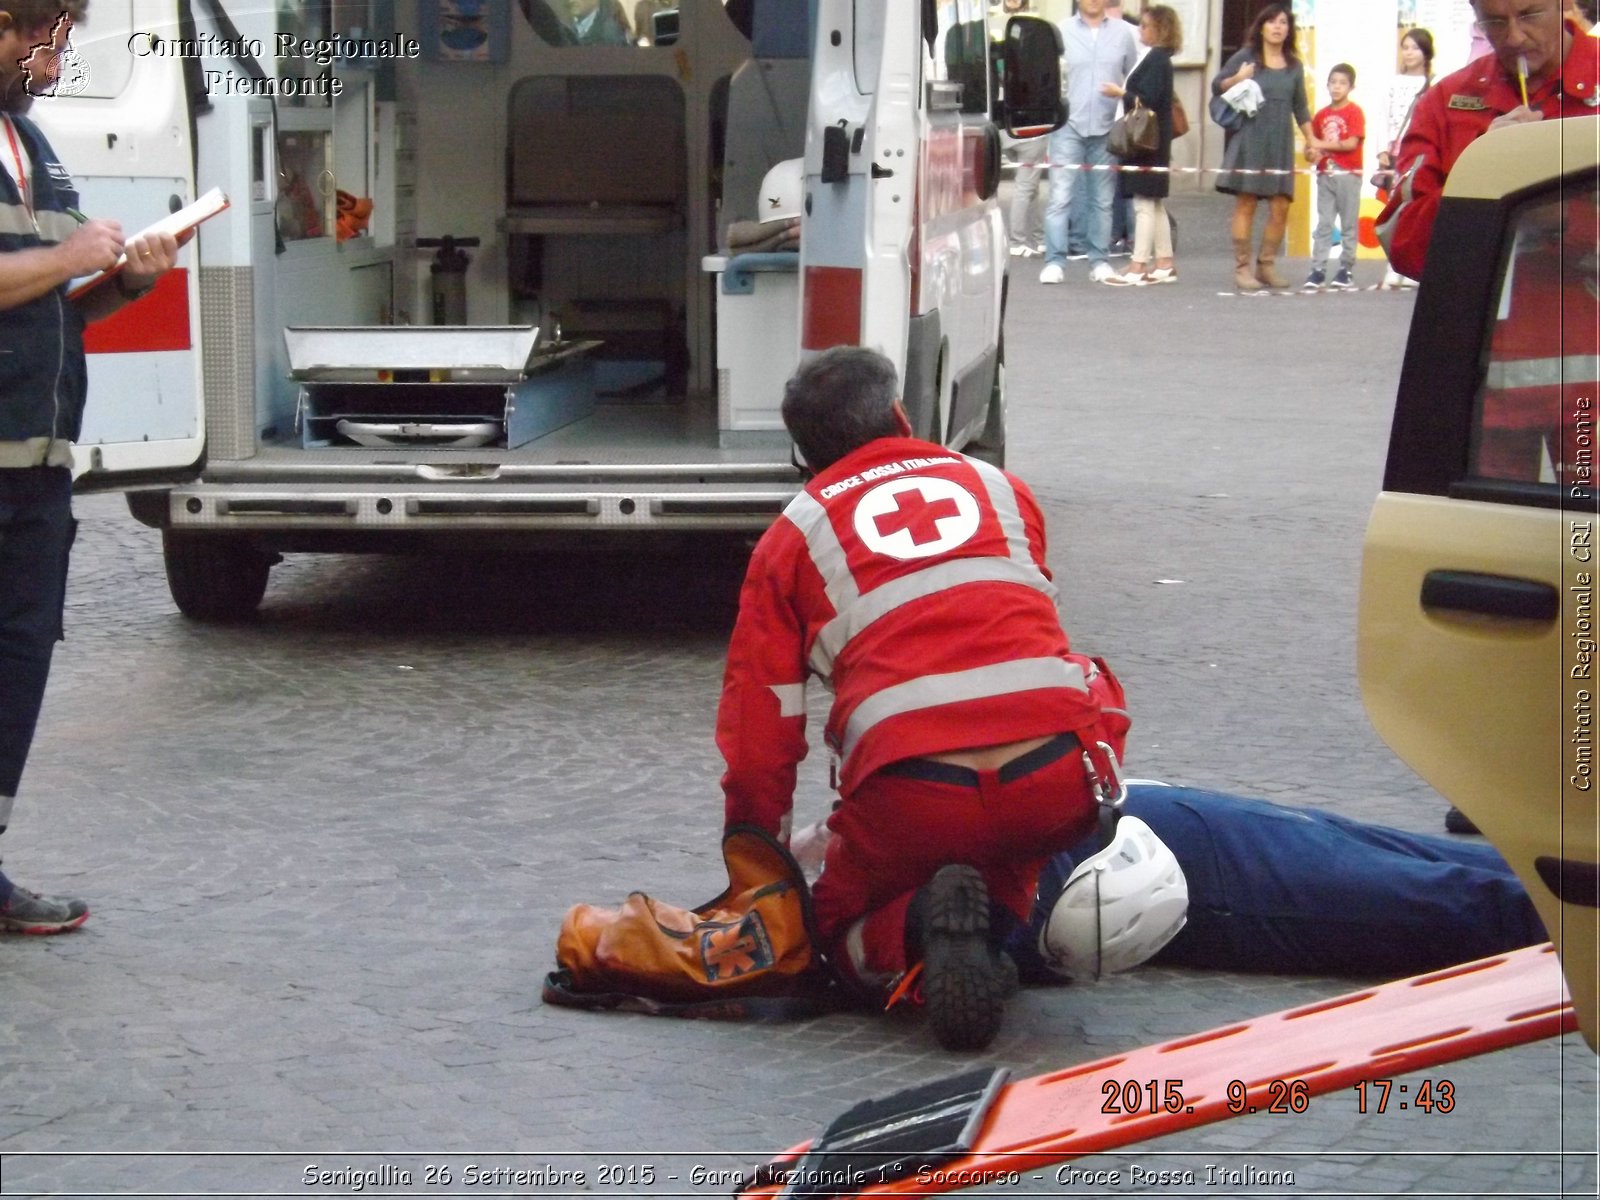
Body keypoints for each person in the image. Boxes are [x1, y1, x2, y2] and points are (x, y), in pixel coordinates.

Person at [717, 346, 1129, 1052]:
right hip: (1055, 774)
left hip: (911, 795)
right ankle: (996, 924)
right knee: (1023, 820)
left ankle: (909, 933)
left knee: (826, 933)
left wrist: (761, 867)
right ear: (902, 417)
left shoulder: (790, 539)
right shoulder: (1001, 488)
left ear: (802, 456)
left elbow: (763, 729)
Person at [0, 0, 183, 933]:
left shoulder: (33, 142)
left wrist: (127, 280)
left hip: (37, 464)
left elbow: (55, 311)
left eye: (53, 30)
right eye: (24, 27)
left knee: (19, 660)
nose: (42, 49)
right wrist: (68, 253)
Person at [1014, 783, 1551, 983]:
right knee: (1513, 880)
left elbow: (1038, 939)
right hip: (1177, 814)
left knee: (1472, 903)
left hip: (1204, 867)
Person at [1377, 0, 1600, 281]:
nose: (1515, 37)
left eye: (1530, 14)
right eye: (1494, 22)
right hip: (1477, 322)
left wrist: (1565, 216)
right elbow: (1402, 243)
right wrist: (1480, 170)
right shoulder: (1445, 101)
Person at [1212, 3, 1314, 292]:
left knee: (1281, 205)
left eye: (1283, 22)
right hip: (1251, 137)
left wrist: (1312, 140)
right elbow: (1218, 85)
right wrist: (1238, 78)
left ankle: (1266, 265)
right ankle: (1242, 268)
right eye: (1272, 22)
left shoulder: (1294, 65)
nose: (1278, 27)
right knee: (1246, 203)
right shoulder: (1247, 57)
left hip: (1280, 141)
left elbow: (1301, 108)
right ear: (1261, 26)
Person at [1039, 0, 1137, 286]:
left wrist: (1124, 96)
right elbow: (1048, 76)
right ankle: (1055, 261)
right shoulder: (1060, 31)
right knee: (1060, 197)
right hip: (1068, 124)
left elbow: (1133, 77)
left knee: (1102, 201)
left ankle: (1099, 260)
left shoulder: (1122, 33)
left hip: (1107, 127)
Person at [1100, 4, 1182, 285]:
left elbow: (1149, 98)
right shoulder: (1157, 58)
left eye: (1146, 25)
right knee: (1154, 202)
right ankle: (1164, 261)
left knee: (1143, 204)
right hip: (1153, 140)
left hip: (1147, 141)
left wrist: (1121, 91)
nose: (1140, 30)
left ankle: (1139, 264)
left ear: (1160, 29)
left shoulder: (1157, 60)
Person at [1375, 28, 1434, 290]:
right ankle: (1393, 265)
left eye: (1415, 48)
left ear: (1426, 53)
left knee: (1415, 206)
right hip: (1396, 154)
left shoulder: (1434, 82)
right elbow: (1382, 117)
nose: (1409, 53)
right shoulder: (1392, 83)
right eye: (1406, 47)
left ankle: (1411, 267)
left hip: (1420, 153)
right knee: (1394, 206)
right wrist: (1381, 150)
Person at [1302, 63, 1366, 291]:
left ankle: (1345, 268)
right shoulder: (1321, 115)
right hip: (1325, 175)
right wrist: (1311, 151)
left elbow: (1351, 143)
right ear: (1327, 85)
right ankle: (1317, 269)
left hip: (1348, 174)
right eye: (1333, 82)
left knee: (1348, 223)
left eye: (1342, 83)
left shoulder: (1354, 112)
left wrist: (1321, 143)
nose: (1337, 87)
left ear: (1351, 87)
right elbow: (1313, 147)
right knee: (1324, 223)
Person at [996, 0, 1046, 258]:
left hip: (1002, 119)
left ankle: (1037, 237)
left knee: (1031, 185)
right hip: (1027, 121)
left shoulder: (992, 27)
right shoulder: (1037, 29)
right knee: (1026, 186)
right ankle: (1017, 240)